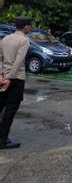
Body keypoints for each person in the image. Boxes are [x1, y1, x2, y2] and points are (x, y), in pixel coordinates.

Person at [0, 16, 32, 149]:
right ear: (25, 27)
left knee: (0, 106)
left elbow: (0, 58)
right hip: (16, 78)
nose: (30, 28)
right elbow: (19, 61)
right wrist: (9, 78)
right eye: (29, 25)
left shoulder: (5, 39)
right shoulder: (24, 40)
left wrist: (1, 75)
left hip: (3, 77)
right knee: (11, 109)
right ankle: (2, 139)